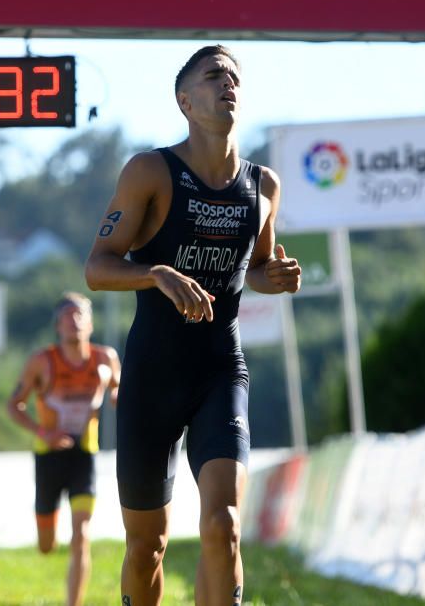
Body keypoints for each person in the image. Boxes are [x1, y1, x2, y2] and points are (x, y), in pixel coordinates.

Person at [84, 45, 302, 606]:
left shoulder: (264, 187)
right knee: (145, 548)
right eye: (213, 75)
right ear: (185, 100)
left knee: (222, 525)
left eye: (234, 75)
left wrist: (270, 277)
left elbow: (255, 268)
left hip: (218, 371)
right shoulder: (150, 171)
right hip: (152, 376)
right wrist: (157, 273)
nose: (227, 82)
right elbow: (98, 266)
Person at [7, 292, 121, 606]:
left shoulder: (105, 358)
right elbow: (13, 406)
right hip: (49, 455)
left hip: (84, 454)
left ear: (91, 323)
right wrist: (44, 431)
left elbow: (118, 391)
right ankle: (46, 528)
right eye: (67, 316)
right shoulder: (41, 361)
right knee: (47, 545)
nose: (74, 321)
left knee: (81, 533)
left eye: (80, 315)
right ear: (57, 325)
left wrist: (116, 395)